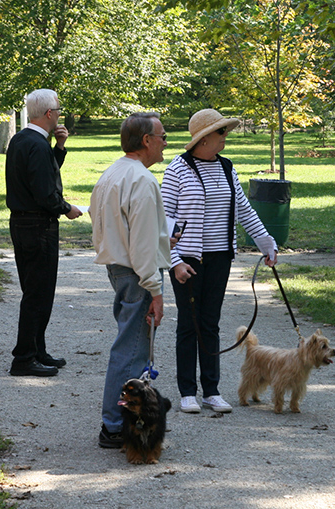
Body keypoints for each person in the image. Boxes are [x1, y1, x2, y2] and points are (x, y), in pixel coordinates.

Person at [161, 108, 278, 415]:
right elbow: (162, 221)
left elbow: (244, 211)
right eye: (222, 131)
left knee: (210, 323)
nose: (226, 135)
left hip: (220, 257)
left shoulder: (227, 167)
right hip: (186, 259)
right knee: (189, 324)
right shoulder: (178, 169)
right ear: (204, 138)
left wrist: (267, 244)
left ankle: (211, 391)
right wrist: (174, 261)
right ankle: (187, 392)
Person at [89, 112, 171, 448]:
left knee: (128, 347)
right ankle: (114, 425)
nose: (167, 143)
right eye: (163, 136)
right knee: (132, 352)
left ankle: (118, 421)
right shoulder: (142, 180)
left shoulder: (111, 174)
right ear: (146, 141)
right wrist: (155, 290)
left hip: (119, 269)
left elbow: (102, 224)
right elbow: (139, 244)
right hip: (137, 274)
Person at [5, 89, 82, 377]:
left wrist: (59, 147)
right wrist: (66, 208)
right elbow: (44, 191)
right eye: (59, 111)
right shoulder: (36, 144)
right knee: (38, 294)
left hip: (23, 223)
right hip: (38, 225)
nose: (60, 115)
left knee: (36, 291)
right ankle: (24, 358)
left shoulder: (24, 140)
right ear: (49, 114)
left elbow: (43, 174)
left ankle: (37, 349)